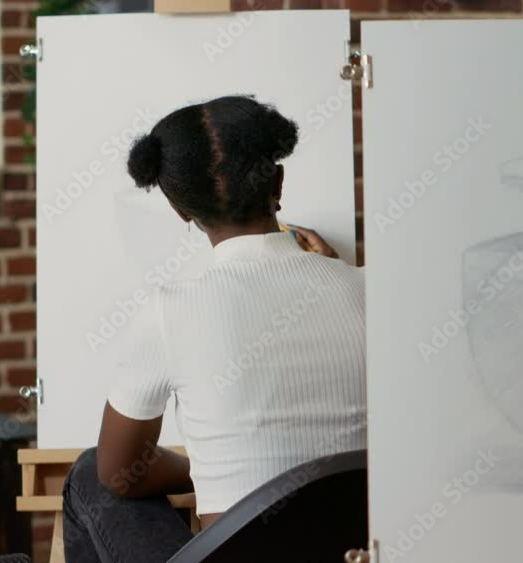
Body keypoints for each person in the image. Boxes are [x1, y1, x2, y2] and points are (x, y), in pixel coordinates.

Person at [61, 95, 366, 563]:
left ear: (180, 209)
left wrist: (202, 469)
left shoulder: (171, 310)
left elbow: (120, 472)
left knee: (90, 473)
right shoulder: (369, 291)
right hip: (359, 554)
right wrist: (342, 277)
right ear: (278, 182)